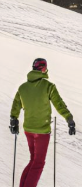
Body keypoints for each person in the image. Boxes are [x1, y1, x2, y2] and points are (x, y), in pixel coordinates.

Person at [9, 58, 76, 187]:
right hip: (42, 131)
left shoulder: (22, 87)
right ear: (43, 69)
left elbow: (16, 105)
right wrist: (69, 119)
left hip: (28, 129)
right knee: (38, 163)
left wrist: (14, 120)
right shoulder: (48, 86)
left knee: (33, 160)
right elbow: (59, 104)